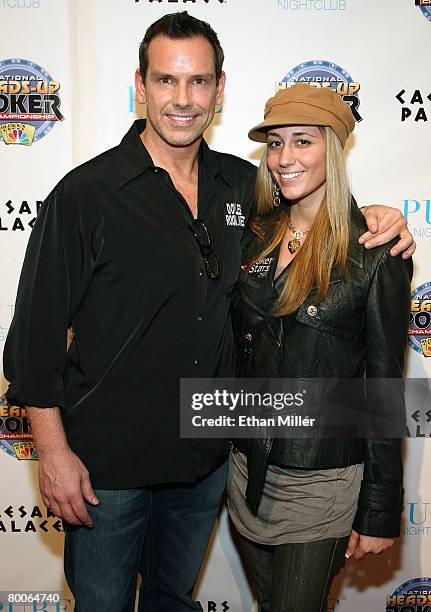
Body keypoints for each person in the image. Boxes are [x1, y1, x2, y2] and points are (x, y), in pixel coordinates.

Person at [2, 12, 413, 612]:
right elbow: (33, 345)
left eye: (198, 82)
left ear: (220, 90)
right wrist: (56, 457)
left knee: (173, 601)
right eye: (166, 81)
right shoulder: (85, 196)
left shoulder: (245, 188)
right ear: (140, 87)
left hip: (205, 465)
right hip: (105, 472)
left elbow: (316, 208)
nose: (182, 100)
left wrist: (377, 216)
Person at [227, 84, 413, 612]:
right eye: (276, 143)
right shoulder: (255, 234)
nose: (285, 158)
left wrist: (379, 509)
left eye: (303, 142)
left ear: (332, 149)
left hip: (322, 481)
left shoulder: (375, 255)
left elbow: (384, 390)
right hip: (245, 473)